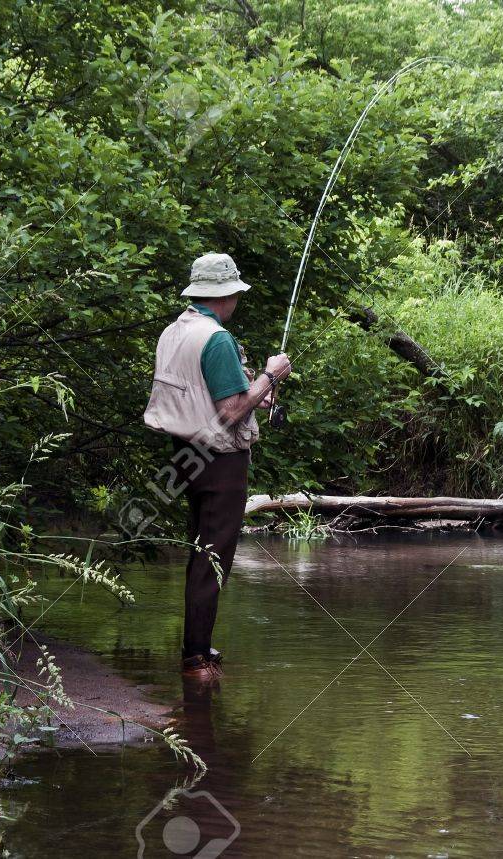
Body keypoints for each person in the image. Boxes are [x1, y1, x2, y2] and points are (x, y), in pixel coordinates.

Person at [143, 253, 292, 679]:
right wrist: (271, 375)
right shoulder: (218, 338)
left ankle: (198, 647)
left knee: (199, 550)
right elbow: (229, 413)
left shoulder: (175, 330)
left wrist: (254, 390)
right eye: (236, 294)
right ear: (225, 295)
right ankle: (195, 659)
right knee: (213, 558)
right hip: (219, 461)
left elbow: (199, 392)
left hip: (184, 455)